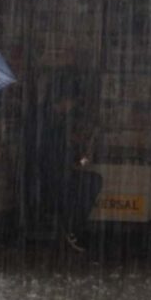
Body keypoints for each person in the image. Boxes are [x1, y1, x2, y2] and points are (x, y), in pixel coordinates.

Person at [28, 78, 103, 250]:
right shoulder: (52, 121)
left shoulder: (44, 116)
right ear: (64, 99)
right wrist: (77, 159)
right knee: (92, 182)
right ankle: (73, 228)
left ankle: (72, 227)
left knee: (87, 182)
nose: (72, 106)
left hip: (43, 175)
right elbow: (53, 153)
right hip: (48, 178)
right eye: (72, 101)